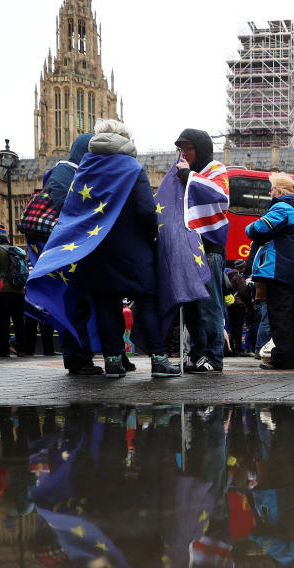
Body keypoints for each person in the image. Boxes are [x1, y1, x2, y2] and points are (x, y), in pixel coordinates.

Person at [79, 120, 179, 378]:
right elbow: (147, 210)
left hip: (96, 248)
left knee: (105, 303)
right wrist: (150, 238)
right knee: (147, 300)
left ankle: (112, 362)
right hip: (133, 249)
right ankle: (158, 360)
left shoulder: (85, 168)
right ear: (124, 139)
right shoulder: (131, 167)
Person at [173, 128, 229, 374]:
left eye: (189, 148)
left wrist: (188, 176)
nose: (184, 154)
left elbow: (219, 194)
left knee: (209, 306)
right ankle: (197, 354)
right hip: (187, 249)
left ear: (201, 148)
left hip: (208, 249)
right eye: (181, 149)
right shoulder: (184, 172)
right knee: (192, 308)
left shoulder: (216, 170)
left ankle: (214, 357)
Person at [44, 132, 98, 375]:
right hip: (69, 250)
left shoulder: (77, 172)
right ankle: (76, 358)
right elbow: (64, 205)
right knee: (76, 305)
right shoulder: (64, 172)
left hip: (78, 249)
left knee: (83, 305)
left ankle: (82, 356)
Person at [245, 172, 294, 370]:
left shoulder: (282, 207)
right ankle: (288, 358)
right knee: (286, 315)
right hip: (287, 270)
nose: (269, 191)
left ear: (279, 191)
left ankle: (282, 358)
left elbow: (256, 229)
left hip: (278, 269)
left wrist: (250, 227)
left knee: (278, 315)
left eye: (271, 188)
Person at [0, 226, 28, 358]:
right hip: (19, 291)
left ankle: (3, 350)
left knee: (2, 321)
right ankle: (22, 349)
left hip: (4, 291)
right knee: (19, 321)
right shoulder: (17, 250)